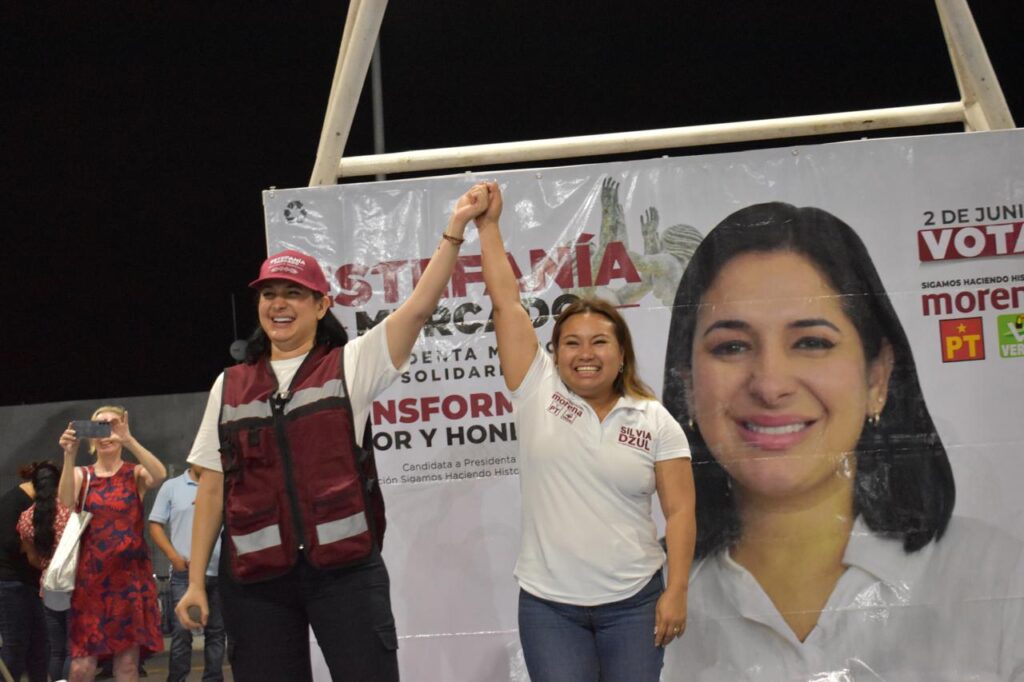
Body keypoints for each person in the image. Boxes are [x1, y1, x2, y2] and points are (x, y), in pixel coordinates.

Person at [661, 202, 1024, 680]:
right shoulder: (635, 588)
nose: (770, 385)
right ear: (686, 381)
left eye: (811, 342)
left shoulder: (998, 575)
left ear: (877, 375)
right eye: (731, 346)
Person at [175, 183, 492, 681]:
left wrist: (454, 230)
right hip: (257, 582)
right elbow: (212, 486)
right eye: (270, 294)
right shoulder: (229, 384)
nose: (279, 304)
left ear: (321, 306)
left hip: (344, 574)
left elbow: (416, 309)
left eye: (294, 294)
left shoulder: (352, 364)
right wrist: (195, 582)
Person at [474, 181, 696, 682]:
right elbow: (507, 304)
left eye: (600, 342)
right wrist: (488, 227)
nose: (586, 353)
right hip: (550, 609)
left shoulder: (654, 419)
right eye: (571, 343)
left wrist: (676, 589)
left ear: (621, 356)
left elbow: (681, 511)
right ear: (554, 354)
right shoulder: (537, 391)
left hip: (634, 604)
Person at [58, 406, 167, 682]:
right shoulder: (84, 475)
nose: (105, 432)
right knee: (81, 667)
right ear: (91, 436)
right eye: (99, 426)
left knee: (128, 667)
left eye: (112, 424)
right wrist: (69, 455)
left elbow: (159, 475)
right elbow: (66, 501)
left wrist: (129, 439)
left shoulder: (134, 474)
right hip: (90, 585)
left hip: (130, 583)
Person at [149, 464, 225, 681]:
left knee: (217, 634)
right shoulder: (171, 487)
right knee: (181, 634)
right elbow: (155, 525)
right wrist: (174, 557)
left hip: (219, 572)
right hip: (185, 574)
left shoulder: (222, 485)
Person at [17, 460, 72, 682]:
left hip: (48, 587)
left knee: (56, 650)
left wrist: (50, 568)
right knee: (74, 649)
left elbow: (32, 558)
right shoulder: (70, 511)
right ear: (59, 483)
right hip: (76, 584)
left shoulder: (26, 518)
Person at [0, 461, 51, 681]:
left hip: (29, 583)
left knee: (40, 646)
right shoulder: (13, 502)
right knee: (16, 645)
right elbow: (10, 542)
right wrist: (39, 552)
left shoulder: (33, 504)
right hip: (10, 582)